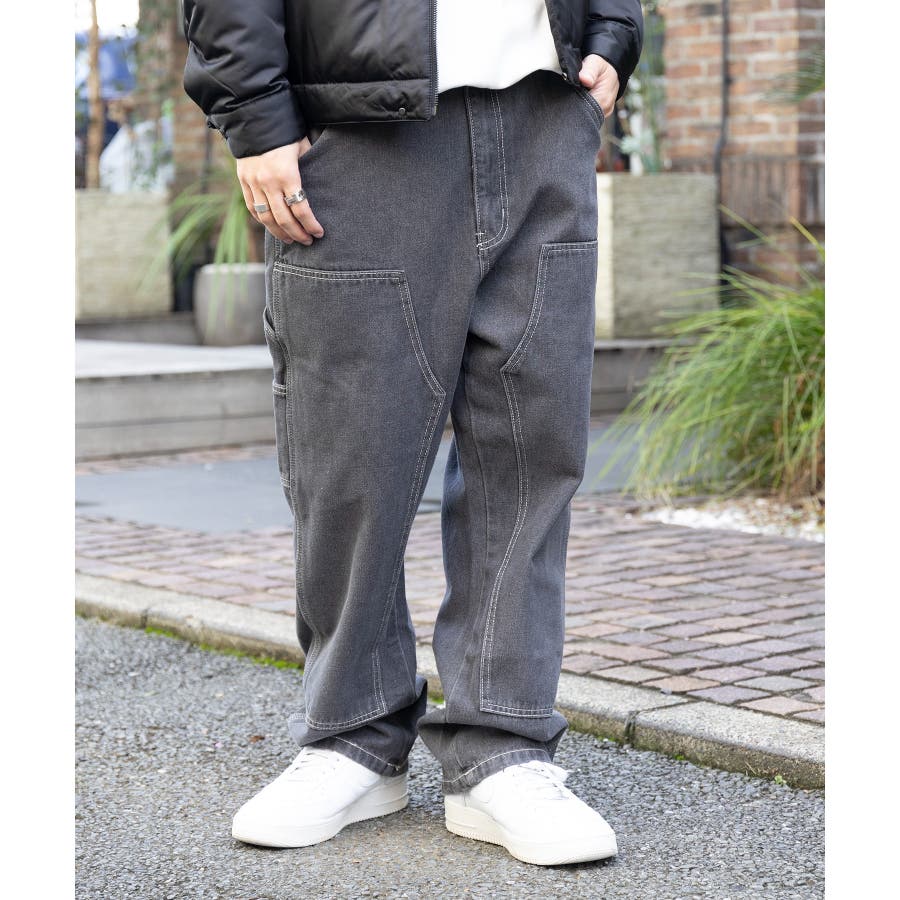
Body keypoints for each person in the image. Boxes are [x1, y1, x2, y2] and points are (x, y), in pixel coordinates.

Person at [182, 0, 643, 867]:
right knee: (348, 454)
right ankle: (351, 733)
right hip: (358, 128)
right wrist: (255, 114)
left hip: (546, 111)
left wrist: (614, 32)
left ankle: (504, 745)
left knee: (529, 449)